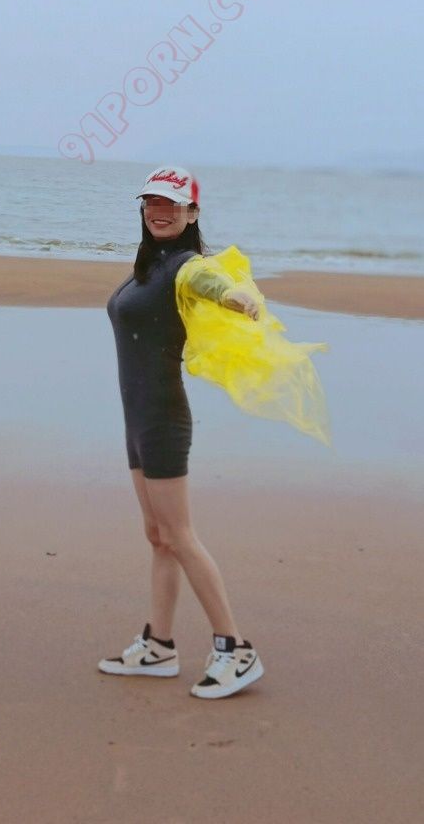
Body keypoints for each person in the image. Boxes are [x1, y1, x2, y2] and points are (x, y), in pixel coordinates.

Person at [99, 165, 329, 700]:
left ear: (192, 212)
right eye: (152, 202)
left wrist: (238, 298)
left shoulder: (185, 267)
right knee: (157, 536)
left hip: (162, 421)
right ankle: (159, 646)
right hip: (137, 421)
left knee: (179, 536)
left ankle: (236, 648)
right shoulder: (149, 266)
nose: (160, 212)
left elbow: (212, 283)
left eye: (171, 204)